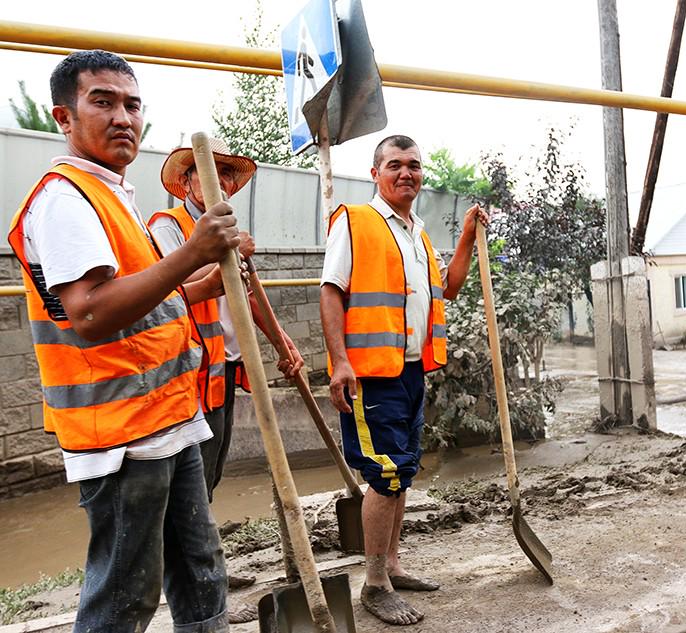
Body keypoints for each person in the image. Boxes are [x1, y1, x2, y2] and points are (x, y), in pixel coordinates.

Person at [7, 50, 238, 632]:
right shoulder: (65, 199)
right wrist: (193, 251)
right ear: (64, 117)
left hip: (169, 420)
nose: (123, 118)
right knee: (125, 595)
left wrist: (204, 280)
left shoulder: (113, 195)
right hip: (122, 438)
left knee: (201, 571)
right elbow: (90, 313)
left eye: (132, 105)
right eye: (103, 102)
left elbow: (146, 299)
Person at [320, 134, 488, 626]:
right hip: (371, 374)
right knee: (386, 473)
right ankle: (374, 583)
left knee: (404, 471)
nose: (406, 173)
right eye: (394, 165)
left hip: (411, 369)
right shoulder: (355, 221)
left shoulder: (418, 235)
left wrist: (466, 237)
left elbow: (449, 288)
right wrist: (340, 362)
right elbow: (331, 292)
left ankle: (391, 566)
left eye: (413, 165)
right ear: (375, 173)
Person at [149, 138, 304, 503]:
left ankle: (198, 533)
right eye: (207, 171)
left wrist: (283, 344)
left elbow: (250, 296)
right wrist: (227, 255)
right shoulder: (168, 225)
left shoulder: (231, 235)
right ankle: (192, 538)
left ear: (232, 187)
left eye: (226, 173)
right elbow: (168, 282)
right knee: (194, 479)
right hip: (189, 372)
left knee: (213, 468)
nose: (218, 179)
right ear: (186, 182)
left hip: (224, 367)